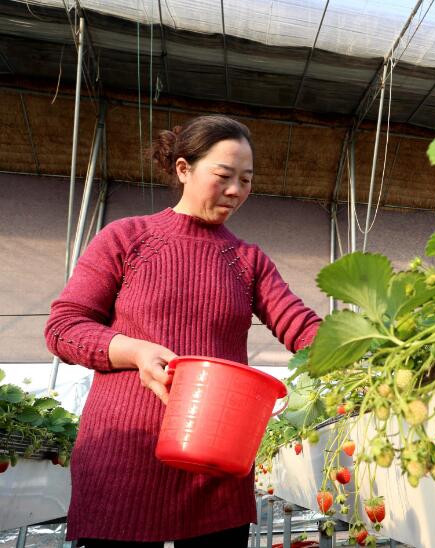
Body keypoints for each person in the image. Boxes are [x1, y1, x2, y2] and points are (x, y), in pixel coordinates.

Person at [44, 115, 321, 547]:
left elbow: (300, 326)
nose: (236, 190)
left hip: (216, 463)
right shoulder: (128, 238)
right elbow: (64, 326)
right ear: (183, 169)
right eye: (224, 176)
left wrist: (377, 346)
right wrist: (133, 351)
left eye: (246, 180)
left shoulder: (247, 260)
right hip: (125, 460)